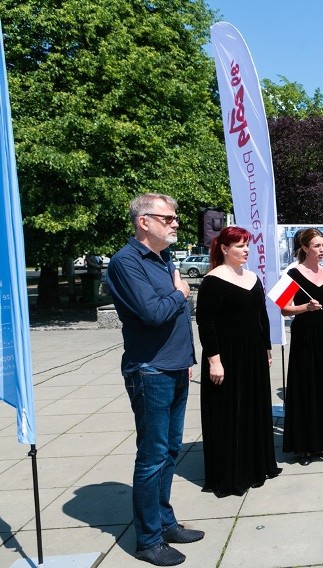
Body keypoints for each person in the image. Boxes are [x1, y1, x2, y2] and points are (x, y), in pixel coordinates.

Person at [107, 193, 203, 566]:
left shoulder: (165, 259)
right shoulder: (126, 262)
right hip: (150, 370)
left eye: (175, 217)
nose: (175, 223)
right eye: (168, 218)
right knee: (151, 456)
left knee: (169, 452)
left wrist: (186, 359)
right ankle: (148, 540)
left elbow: (172, 318)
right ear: (143, 221)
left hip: (175, 366)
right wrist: (180, 293)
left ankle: (165, 522)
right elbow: (152, 312)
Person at [195, 227, 281, 492]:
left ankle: (257, 464)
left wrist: (266, 348)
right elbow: (205, 323)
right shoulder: (213, 280)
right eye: (240, 246)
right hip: (226, 354)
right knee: (229, 412)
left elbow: (261, 316)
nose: (246, 251)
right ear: (224, 249)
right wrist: (214, 360)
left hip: (253, 353)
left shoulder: (253, 277)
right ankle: (232, 473)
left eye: (247, 246)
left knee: (254, 409)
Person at [280, 228, 323, 465]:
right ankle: (305, 446)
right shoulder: (292, 274)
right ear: (305, 248)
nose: (321, 250)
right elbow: (284, 308)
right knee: (306, 387)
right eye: (317, 246)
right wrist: (304, 307)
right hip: (305, 335)